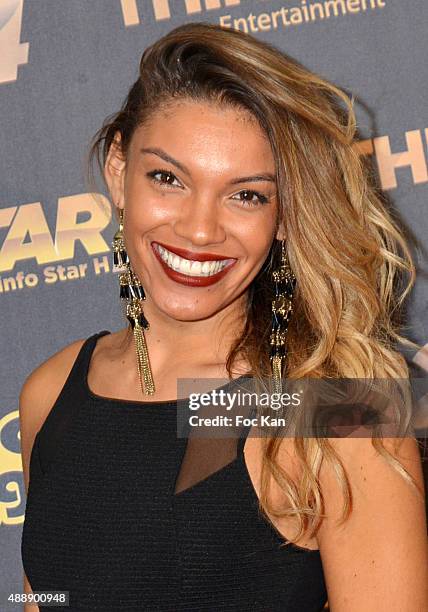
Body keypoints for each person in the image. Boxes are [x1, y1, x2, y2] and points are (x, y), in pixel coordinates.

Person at [19, 22, 427, 612]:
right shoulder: (51, 391)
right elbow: (47, 596)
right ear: (118, 172)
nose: (199, 230)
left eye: (247, 195)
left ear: (284, 216)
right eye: (168, 178)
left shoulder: (336, 406)